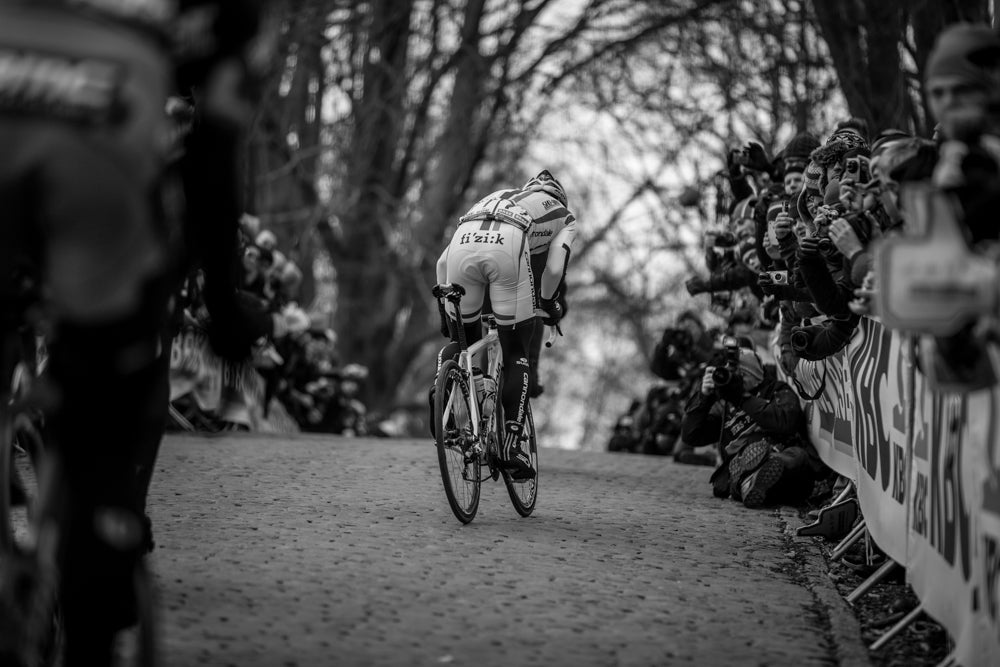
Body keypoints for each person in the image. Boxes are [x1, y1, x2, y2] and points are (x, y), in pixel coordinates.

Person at [0, 2, 269, 665]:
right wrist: (225, 305)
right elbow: (215, 147)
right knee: (108, 391)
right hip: (105, 114)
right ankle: (96, 585)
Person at [434, 170, 576, 480]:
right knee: (516, 353)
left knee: (463, 343)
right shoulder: (564, 216)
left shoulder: (498, 197)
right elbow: (554, 270)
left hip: (463, 243)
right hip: (508, 246)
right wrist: (550, 304)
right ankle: (512, 448)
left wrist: (445, 314)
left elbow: (442, 263)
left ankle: (444, 403)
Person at [680, 338, 827, 508]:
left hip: (782, 463)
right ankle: (748, 480)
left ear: (754, 376)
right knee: (739, 470)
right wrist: (704, 397)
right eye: (731, 375)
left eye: (741, 375)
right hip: (739, 467)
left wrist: (742, 398)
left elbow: (786, 422)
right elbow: (691, 435)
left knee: (796, 456)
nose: (735, 379)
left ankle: (753, 478)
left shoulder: (777, 390)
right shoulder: (726, 403)